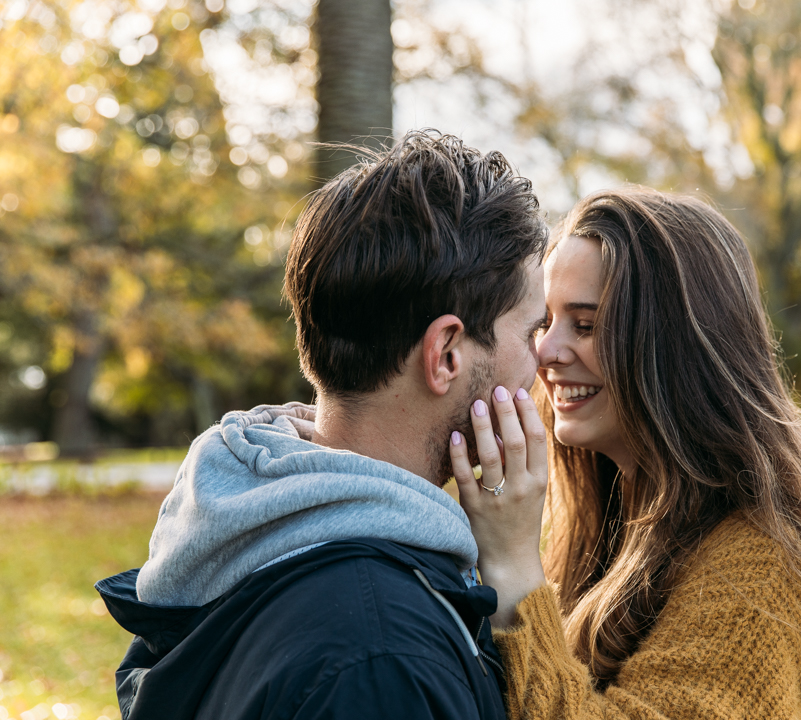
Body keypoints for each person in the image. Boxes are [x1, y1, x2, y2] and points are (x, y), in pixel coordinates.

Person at [93, 130, 551, 720]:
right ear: (446, 355)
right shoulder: (383, 661)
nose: (543, 364)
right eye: (532, 333)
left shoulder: (251, 528)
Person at [450, 187, 801, 719]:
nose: (545, 351)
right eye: (545, 323)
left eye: (587, 325)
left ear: (673, 348)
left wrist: (513, 567)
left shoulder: (761, 570)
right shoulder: (614, 518)